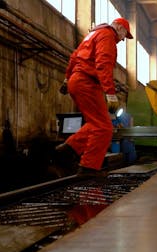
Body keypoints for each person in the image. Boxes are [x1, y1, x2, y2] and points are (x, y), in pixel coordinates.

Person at [56, 18, 133, 178]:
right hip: (87, 82)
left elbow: (74, 57)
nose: (122, 39)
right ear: (119, 27)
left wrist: (66, 79)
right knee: (104, 127)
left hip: (76, 80)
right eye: (124, 35)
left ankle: (67, 150)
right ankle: (88, 168)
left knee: (95, 123)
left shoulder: (93, 34)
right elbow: (103, 64)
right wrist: (110, 93)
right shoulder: (107, 36)